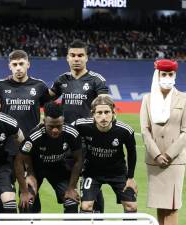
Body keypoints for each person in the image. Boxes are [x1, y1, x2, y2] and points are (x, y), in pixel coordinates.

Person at [50, 39, 109, 213]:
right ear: (67, 58)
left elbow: (104, 104)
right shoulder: (62, 80)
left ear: (87, 58)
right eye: (73, 55)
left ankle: (97, 217)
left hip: (90, 141)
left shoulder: (96, 80)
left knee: (92, 184)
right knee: (70, 186)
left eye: (80, 55)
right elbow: (46, 98)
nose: (77, 59)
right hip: (67, 142)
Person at [0, 49, 50, 212]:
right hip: (7, 149)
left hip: (32, 150)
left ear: (28, 64)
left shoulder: (39, 86)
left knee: (31, 195)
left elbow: (48, 111)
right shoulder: (0, 86)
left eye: (21, 64)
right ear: (9, 66)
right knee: (5, 196)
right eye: (15, 65)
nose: (18, 68)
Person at [73, 95, 137, 214]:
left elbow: (132, 153)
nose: (103, 117)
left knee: (131, 206)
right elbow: (65, 131)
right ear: (92, 114)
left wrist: (130, 178)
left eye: (107, 112)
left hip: (118, 173)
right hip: (92, 173)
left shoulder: (125, 131)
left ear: (113, 112)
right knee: (86, 206)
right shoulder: (81, 125)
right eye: (99, 113)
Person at [140, 59, 186, 225]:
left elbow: (185, 132)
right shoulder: (147, 99)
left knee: (173, 206)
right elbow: (145, 130)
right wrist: (157, 155)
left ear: (175, 75)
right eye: (164, 74)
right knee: (161, 206)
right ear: (157, 75)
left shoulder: (184, 98)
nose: (167, 77)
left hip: (175, 161)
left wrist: (168, 154)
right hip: (154, 161)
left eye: (170, 74)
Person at [15, 102, 82, 213]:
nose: (55, 130)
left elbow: (78, 160)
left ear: (63, 121)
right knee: (26, 203)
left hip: (59, 169)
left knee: (71, 202)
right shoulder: (34, 136)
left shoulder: (72, 133)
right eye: (51, 126)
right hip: (36, 169)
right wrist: (25, 186)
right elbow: (19, 160)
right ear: (44, 121)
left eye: (59, 126)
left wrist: (71, 187)